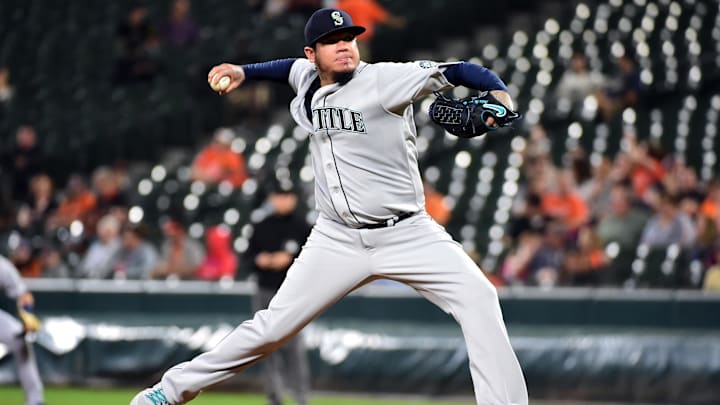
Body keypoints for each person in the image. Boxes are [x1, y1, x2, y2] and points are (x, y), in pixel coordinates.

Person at [131, 8, 527, 405]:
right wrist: (244, 72)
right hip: (336, 237)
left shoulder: (385, 79)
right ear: (312, 53)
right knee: (271, 328)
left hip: (407, 232)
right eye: (332, 42)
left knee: (480, 298)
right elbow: (285, 68)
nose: (344, 47)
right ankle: (169, 392)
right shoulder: (305, 76)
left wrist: (500, 98)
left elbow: (459, 70)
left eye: (349, 39)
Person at [245, 182, 311, 405]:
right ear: (272, 198)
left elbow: (316, 261)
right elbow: (247, 258)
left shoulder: (303, 226)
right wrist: (259, 260)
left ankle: (301, 399)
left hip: (293, 293)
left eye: (287, 195)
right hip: (265, 290)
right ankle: (274, 397)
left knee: (294, 348)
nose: (283, 200)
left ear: (293, 198)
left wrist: (291, 260)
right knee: (266, 347)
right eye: (279, 195)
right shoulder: (261, 225)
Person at [0, 255, 45, 405]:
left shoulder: (2, 265)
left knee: (19, 339)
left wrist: (28, 315)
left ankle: (35, 400)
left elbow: (23, 294)